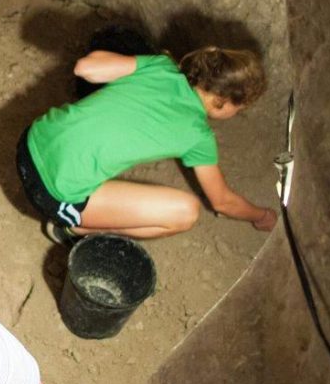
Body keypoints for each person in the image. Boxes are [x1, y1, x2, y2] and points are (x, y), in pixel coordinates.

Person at [17, 41, 277, 244]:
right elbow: (222, 202)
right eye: (239, 108)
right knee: (186, 213)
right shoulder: (199, 136)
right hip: (52, 194)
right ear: (223, 101)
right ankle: (73, 228)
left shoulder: (161, 67)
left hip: (31, 140)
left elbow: (85, 68)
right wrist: (262, 216)